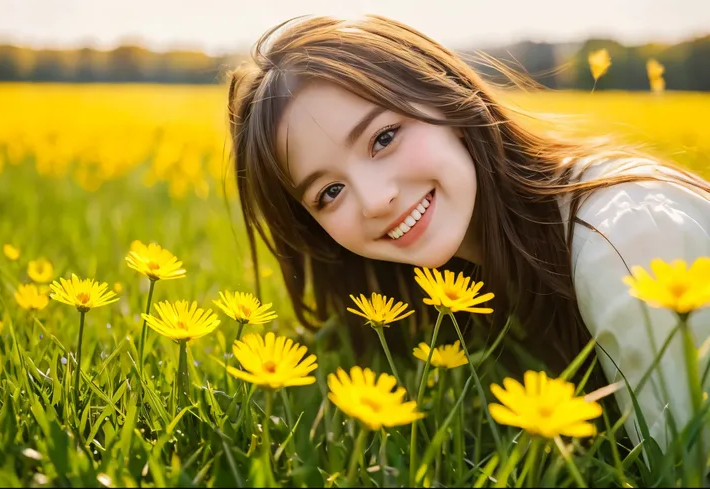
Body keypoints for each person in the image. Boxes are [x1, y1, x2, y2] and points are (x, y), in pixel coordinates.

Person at [225, 14, 710, 450]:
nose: (375, 200)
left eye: (384, 138)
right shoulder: (486, 283)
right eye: (330, 192)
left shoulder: (623, 246)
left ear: (446, 98)